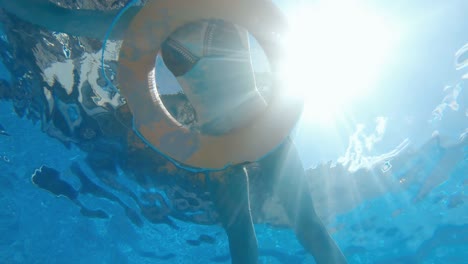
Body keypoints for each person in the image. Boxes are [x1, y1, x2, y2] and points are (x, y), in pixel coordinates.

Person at [0, 1, 348, 263]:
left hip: (265, 130)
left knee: (308, 225)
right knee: (240, 236)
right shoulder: (146, 18)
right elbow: (62, 19)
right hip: (216, 148)